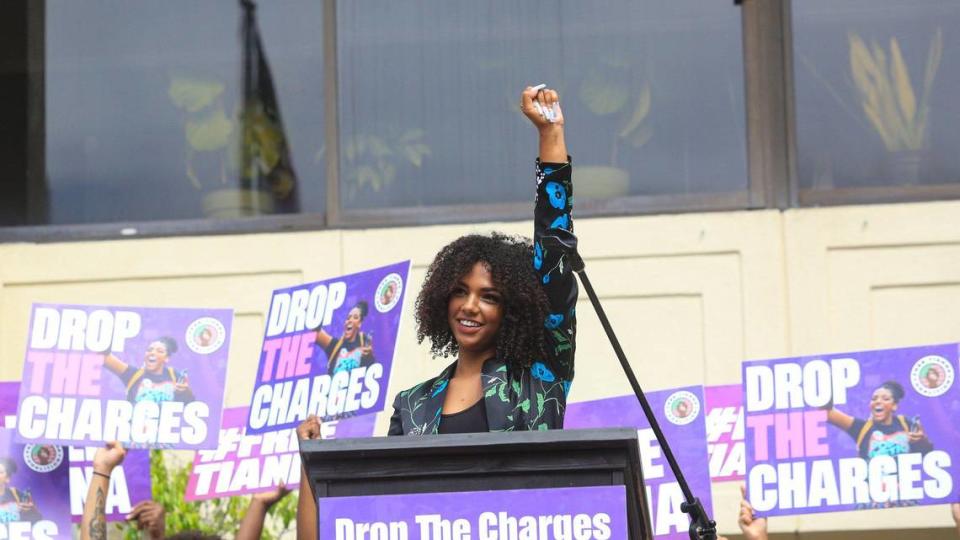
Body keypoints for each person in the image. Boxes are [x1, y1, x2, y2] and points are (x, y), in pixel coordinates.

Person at [297, 84, 577, 539]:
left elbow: (556, 254)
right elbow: (372, 517)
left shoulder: (539, 372)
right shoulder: (413, 405)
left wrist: (550, 135)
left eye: (489, 296)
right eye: (460, 291)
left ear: (515, 309)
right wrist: (315, 460)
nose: (470, 305)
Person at [825, 380, 932, 460]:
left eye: (885, 399)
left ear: (894, 406)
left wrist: (922, 440)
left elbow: (927, 452)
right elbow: (826, 413)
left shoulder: (906, 424)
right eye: (874, 398)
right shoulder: (861, 428)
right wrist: (828, 390)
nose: (878, 401)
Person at [103, 337, 195, 403]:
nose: (152, 353)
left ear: (166, 358)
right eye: (149, 350)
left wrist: (185, 391)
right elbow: (104, 358)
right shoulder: (133, 374)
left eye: (159, 351)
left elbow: (190, 402)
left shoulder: (174, 375)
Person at [314, 300, 375, 375]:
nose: (350, 320)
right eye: (348, 318)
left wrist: (370, 357)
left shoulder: (365, 343)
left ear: (360, 323)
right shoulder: (335, 346)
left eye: (355, 318)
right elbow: (316, 332)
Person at [0, 456, 41, 523]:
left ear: (7, 478)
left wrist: (31, 510)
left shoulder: (15, 494)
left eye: (0, 472)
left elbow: (37, 521)